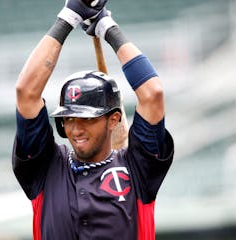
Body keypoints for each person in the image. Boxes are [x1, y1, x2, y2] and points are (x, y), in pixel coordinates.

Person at [12, 0, 174, 239]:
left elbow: (153, 94)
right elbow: (26, 91)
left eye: (87, 118)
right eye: (69, 118)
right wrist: (69, 17)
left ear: (113, 120)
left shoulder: (138, 168)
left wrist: (107, 27)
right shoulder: (45, 168)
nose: (76, 129)